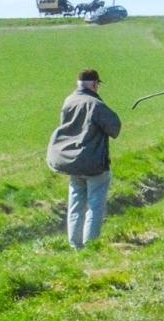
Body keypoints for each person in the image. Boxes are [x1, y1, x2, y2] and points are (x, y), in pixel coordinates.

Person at [46, 69, 122, 250]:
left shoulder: (69, 101)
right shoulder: (95, 104)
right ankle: (91, 246)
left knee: (75, 205)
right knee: (95, 206)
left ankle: (75, 246)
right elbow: (115, 128)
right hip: (94, 165)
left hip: (72, 163)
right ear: (95, 84)